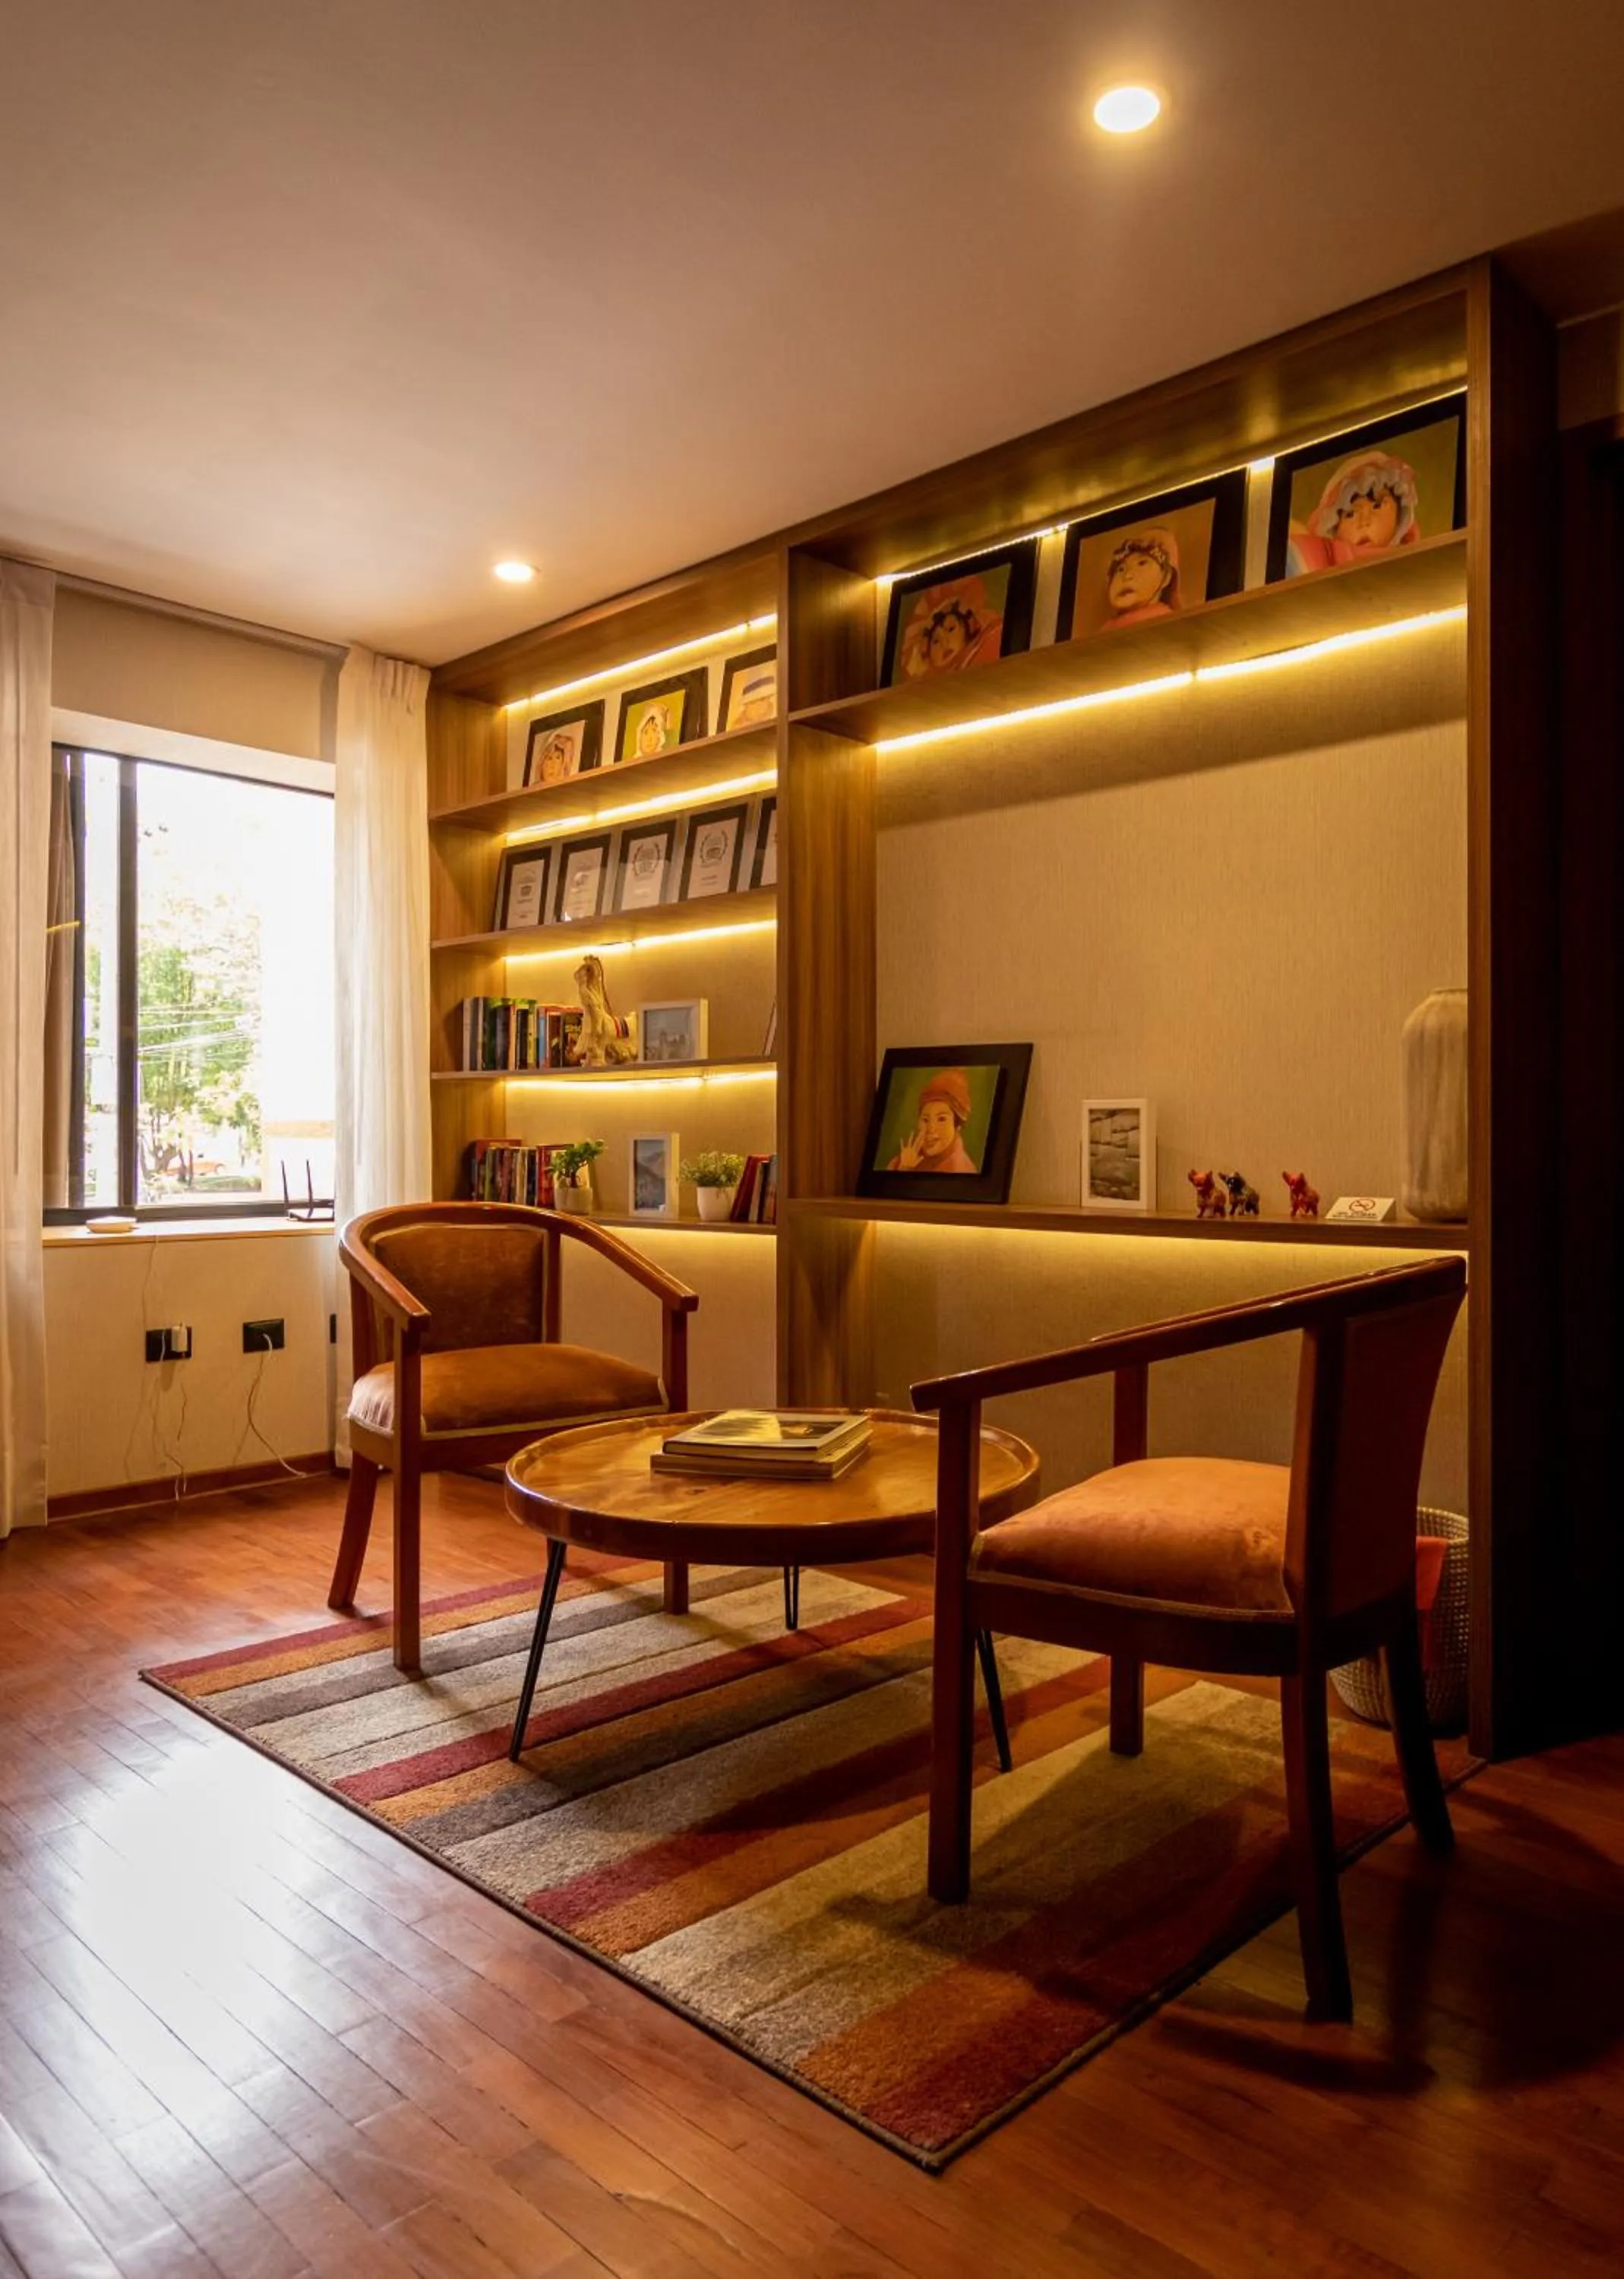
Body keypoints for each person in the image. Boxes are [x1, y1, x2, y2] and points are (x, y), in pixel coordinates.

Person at [1286, 447, 1420, 576]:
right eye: (1350, 514)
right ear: (1334, 526)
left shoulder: (1412, 561)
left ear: (1399, 514)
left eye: (1377, 506)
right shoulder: (1321, 557)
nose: (1364, 522)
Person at [898, 574, 1005, 678]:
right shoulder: (933, 685)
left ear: (967, 627)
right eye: (936, 642)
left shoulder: (988, 642)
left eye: (951, 629)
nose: (945, 643)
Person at [887, 1068, 980, 1174]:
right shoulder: (908, 1157)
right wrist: (904, 1168)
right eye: (925, 1120)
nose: (931, 1129)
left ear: (957, 1126)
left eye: (941, 1119)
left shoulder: (960, 1169)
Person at [1101, 526, 1181, 627]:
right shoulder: (1107, 629)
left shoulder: (1167, 621)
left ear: (1166, 578)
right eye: (1121, 569)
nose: (1127, 576)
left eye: (1142, 563)